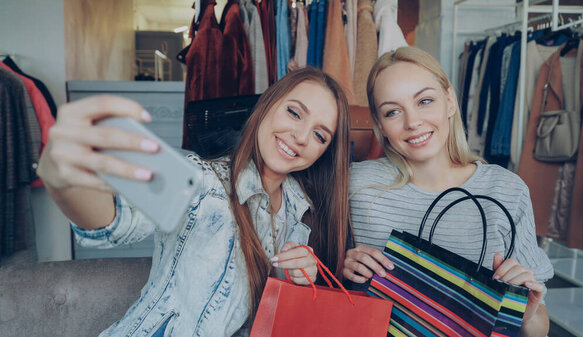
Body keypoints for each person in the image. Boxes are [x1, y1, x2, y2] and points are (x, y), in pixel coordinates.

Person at [37, 67, 351, 336]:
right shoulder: (201, 181)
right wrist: (64, 182)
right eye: (294, 113)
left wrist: (298, 276)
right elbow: (115, 222)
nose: (301, 136)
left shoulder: (301, 210)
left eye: (320, 135)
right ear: (267, 106)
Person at [343, 47, 553, 337]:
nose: (413, 122)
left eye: (425, 101)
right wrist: (343, 266)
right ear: (380, 125)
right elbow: (316, 275)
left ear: (450, 101)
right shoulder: (356, 184)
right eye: (393, 111)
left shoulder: (505, 190)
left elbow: (539, 328)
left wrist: (526, 314)